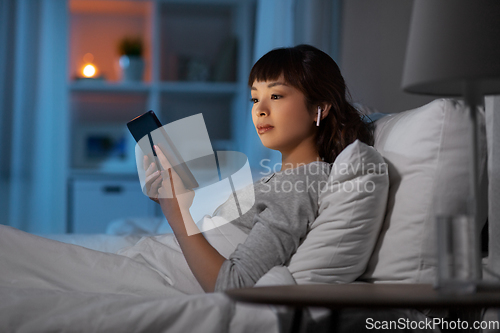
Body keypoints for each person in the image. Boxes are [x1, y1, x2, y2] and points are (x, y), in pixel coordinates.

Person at [142, 44, 373, 293]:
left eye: (275, 96)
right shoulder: (285, 178)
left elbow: (234, 284)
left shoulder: (300, 184)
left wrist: (177, 215)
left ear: (320, 108)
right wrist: (174, 200)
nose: (259, 110)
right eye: (255, 98)